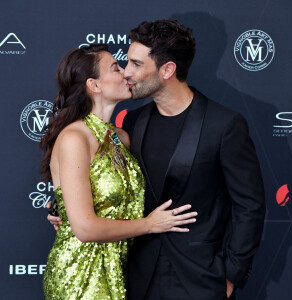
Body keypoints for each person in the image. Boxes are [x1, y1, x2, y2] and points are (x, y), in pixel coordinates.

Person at [49, 20, 266, 300]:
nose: (127, 72)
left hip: (200, 279)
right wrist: (62, 205)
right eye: (124, 63)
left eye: (136, 64)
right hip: (135, 278)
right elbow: (106, 180)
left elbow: (250, 206)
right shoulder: (133, 126)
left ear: (167, 70)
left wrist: (231, 275)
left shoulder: (223, 125)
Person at [41, 44, 197, 300]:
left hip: (121, 272)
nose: (126, 73)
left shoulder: (121, 137)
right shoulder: (74, 137)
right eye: (116, 68)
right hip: (80, 277)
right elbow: (84, 228)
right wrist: (149, 225)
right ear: (95, 85)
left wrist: (58, 207)